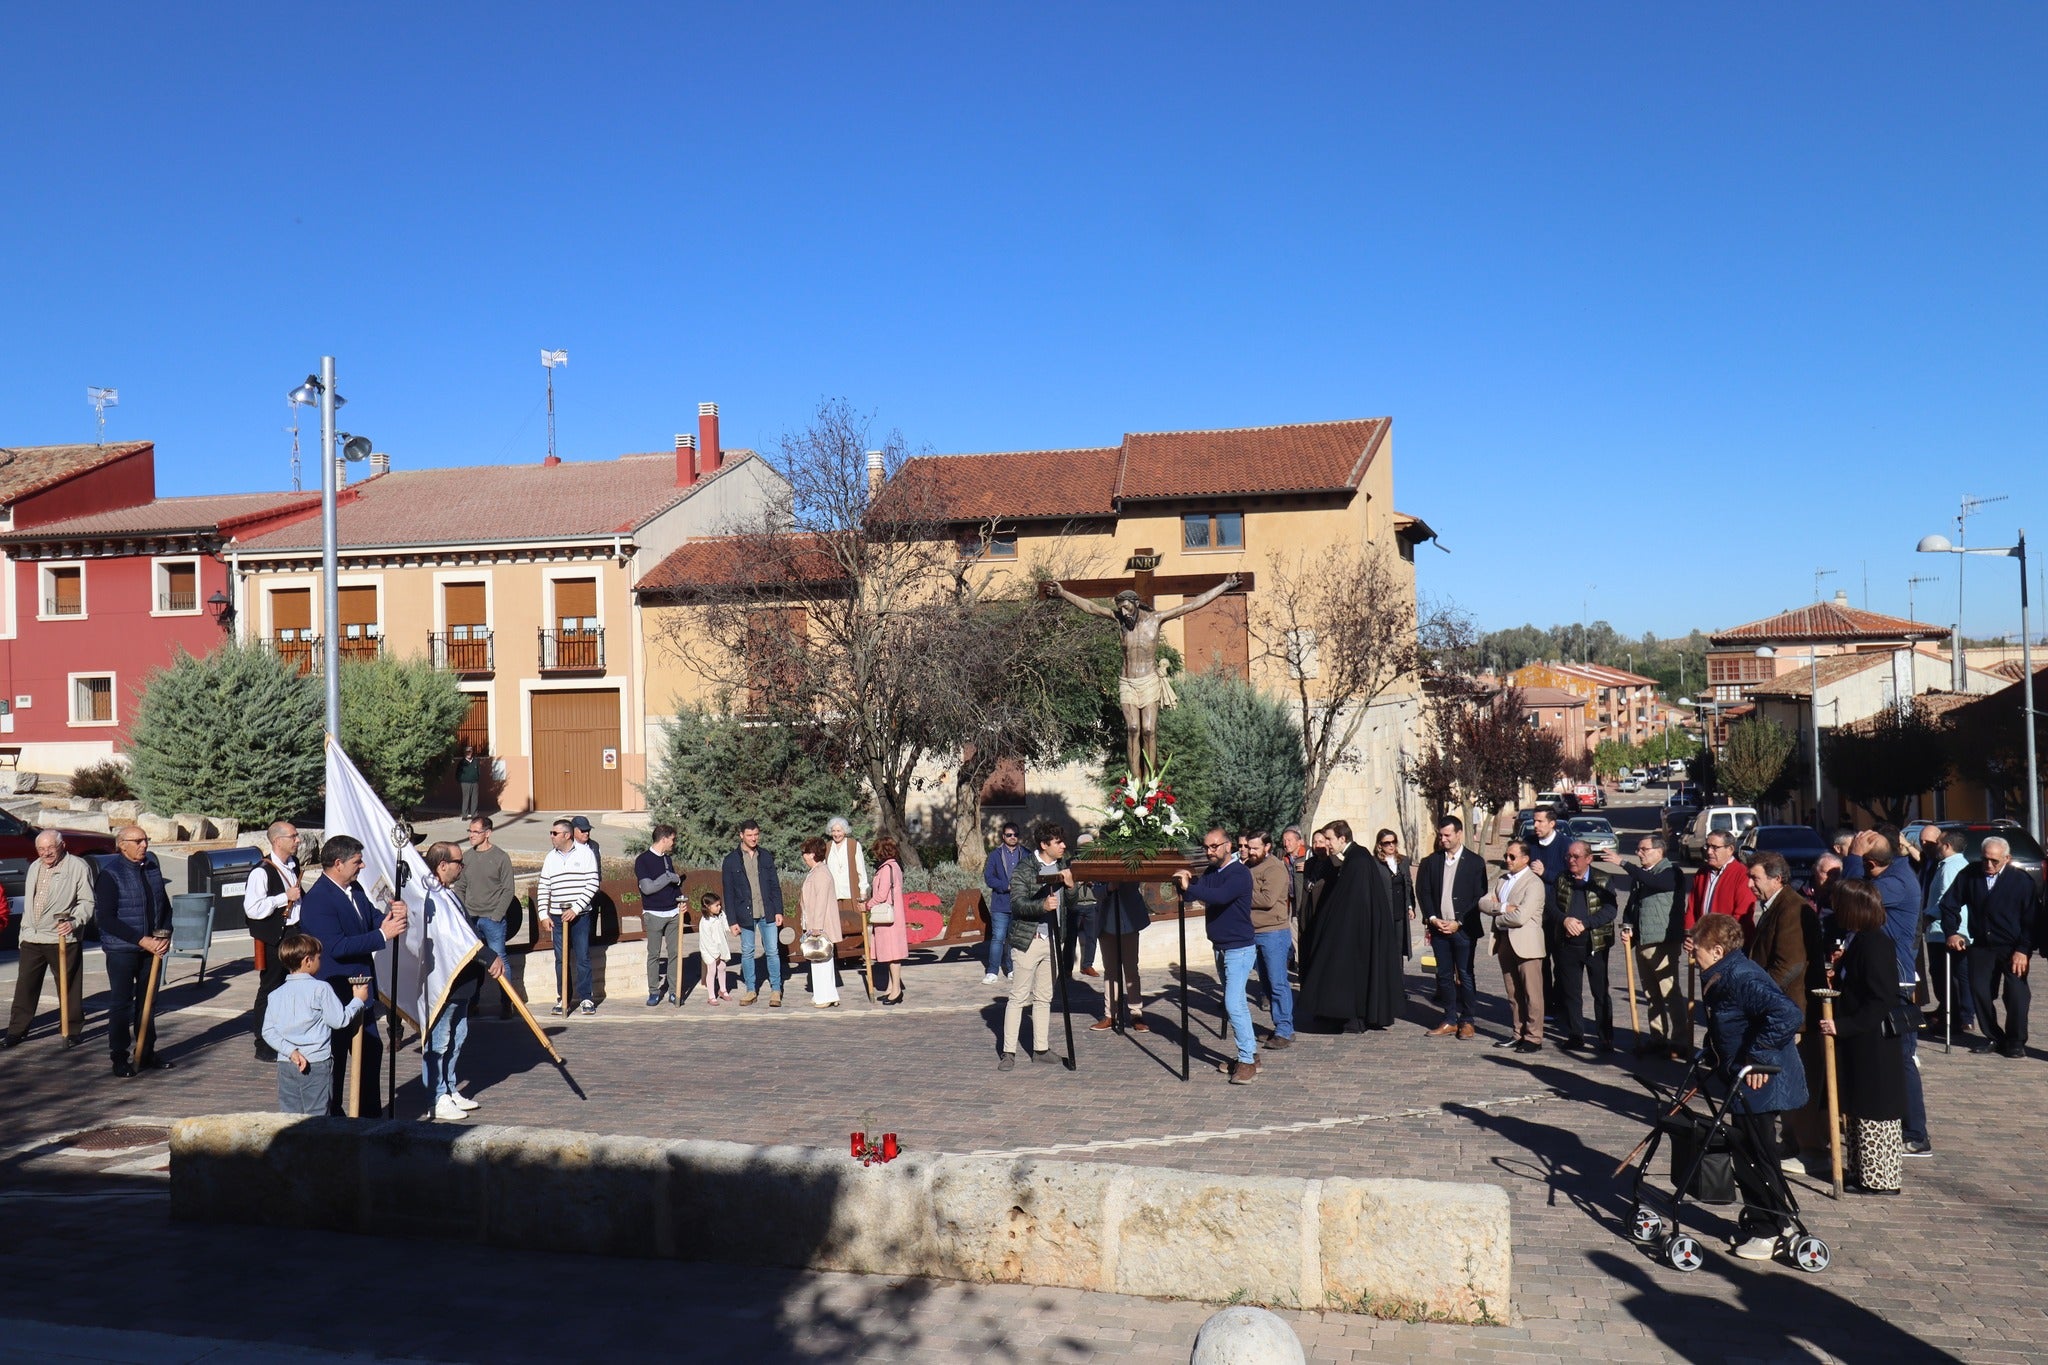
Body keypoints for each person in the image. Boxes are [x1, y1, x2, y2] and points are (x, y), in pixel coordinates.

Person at [1690, 911, 1810, 1260]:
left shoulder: (1739, 976)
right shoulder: (1723, 972)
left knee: (1755, 1155)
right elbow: (1732, 1021)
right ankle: (1776, 1219)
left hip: (1760, 1078)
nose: (1692, 954)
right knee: (1751, 1151)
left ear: (1716, 950)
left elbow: (1787, 1014)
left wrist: (1757, 1054)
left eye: (1697, 949)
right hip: (1743, 1077)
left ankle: (1769, 1229)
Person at [296, 834, 407, 1114]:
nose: (362, 866)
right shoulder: (319, 900)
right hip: (336, 994)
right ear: (338, 863)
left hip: (362, 994)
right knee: (335, 1061)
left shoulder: (354, 889)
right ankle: (332, 1118)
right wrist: (383, 935)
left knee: (371, 1054)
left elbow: (371, 919)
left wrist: (391, 917)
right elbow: (336, 946)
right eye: (357, 862)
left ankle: (370, 1117)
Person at [1818, 879, 1908, 1195]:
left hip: (1874, 1043)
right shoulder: (1858, 939)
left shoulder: (1876, 943)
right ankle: (1862, 1173)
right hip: (1859, 1042)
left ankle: (1881, 1179)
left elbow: (1881, 998)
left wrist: (1843, 1026)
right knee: (1857, 1109)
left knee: (1875, 1112)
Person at [1844, 828, 1930, 1155]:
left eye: (1861, 862)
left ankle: (1916, 1133)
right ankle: (1891, 1125)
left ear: (1870, 863)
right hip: (1881, 978)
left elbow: (1853, 898)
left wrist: (1851, 856)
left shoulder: (1896, 882)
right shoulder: (1892, 874)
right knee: (1892, 1058)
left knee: (1903, 1057)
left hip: (1895, 982)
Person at [420, 841, 504, 1120]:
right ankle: (436, 1095)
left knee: (457, 1037)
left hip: (464, 982)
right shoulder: (430, 897)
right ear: (442, 865)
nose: (462, 867)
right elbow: (454, 939)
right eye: (459, 863)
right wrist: (488, 955)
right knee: (440, 1041)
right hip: (446, 982)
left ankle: (450, 1087)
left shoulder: (449, 894)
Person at [1747, 851, 1823, 1161]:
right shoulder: (1774, 905)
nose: (1750, 884)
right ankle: (1791, 1141)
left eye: (1756, 878)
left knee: (1798, 1079)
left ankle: (1810, 1149)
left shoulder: (1791, 908)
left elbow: (1789, 964)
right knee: (1786, 1078)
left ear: (1777, 878)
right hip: (1780, 1007)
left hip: (1792, 1010)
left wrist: (1759, 995)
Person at [1298, 820, 1403, 1031]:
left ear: (1342, 838)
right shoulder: (1353, 857)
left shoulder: (1358, 860)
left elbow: (1353, 901)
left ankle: (1354, 1016)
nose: (1326, 843)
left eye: (1329, 838)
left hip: (1356, 932)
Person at [1940, 834, 2037, 1059]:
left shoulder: (2021, 881)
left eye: (1995, 860)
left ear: (2007, 858)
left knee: (2016, 994)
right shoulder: (1970, 875)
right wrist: (1952, 932)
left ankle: (2015, 1040)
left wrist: (2023, 949)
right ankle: (1994, 1036)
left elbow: (2031, 919)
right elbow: (1949, 904)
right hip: (1982, 944)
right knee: (1980, 991)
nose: (1989, 865)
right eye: (1985, 859)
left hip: (2012, 947)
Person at [1177, 827, 1259, 1081]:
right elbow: (1196, 892)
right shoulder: (1212, 872)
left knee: (1233, 1003)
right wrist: (1184, 883)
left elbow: (1219, 897)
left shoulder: (1239, 873)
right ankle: (1251, 1053)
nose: (1209, 851)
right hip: (1220, 947)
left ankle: (1246, 1061)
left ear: (1228, 845)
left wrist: (1192, 885)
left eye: (1214, 846)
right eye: (1206, 847)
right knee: (1236, 1004)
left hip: (1239, 948)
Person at [95, 826, 175, 1078]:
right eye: (137, 841)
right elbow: (106, 919)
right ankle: (119, 1056)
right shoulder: (110, 875)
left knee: (148, 1002)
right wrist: (141, 940)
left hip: (152, 948)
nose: (144, 845)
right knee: (121, 1004)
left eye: (145, 840)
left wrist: (164, 934)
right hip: (122, 950)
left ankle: (146, 1050)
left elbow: (164, 906)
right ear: (122, 845)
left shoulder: (152, 868)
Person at [261, 932, 371, 1115]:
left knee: (289, 1115)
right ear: (307, 961)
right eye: (319, 957)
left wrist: (291, 1052)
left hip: (287, 1063)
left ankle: (293, 1144)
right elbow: (339, 1021)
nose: (321, 961)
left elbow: (268, 1031)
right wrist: (358, 1000)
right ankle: (316, 1145)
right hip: (317, 1062)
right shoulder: (321, 989)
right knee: (318, 1115)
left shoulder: (275, 995)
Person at [1605, 834, 1689, 1059]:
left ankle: (1681, 1041)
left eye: (1644, 849)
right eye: (1638, 849)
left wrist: (1623, 863)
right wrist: (1627, 926)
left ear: (1659, 851)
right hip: (1643, 940)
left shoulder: (1672, 873)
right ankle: (1658, 1037)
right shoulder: (1641, 876)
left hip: (1663, 942)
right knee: (1651, 994)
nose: (1639, 853)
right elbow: (1632, 904)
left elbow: (1656, 883)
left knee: (1669, 991)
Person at [3, 831, 88, 1051]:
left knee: (68, 986)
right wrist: (23, 932)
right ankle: (16, 1031)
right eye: (41, 849)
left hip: (61, 937)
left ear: (62, 845)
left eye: (50, 847)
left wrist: (75, 921)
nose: (46, 853)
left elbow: (87, 902)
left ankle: (72, 1029)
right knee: (25, 986)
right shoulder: (35, 866)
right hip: (32, 936)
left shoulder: (77, 866)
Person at [998, 821, 1071, 1070]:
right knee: (1018, 997)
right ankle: (1008, 1052)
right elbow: (1017, 903)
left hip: (1053, 941)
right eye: (1058, 842)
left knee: (1044, 997)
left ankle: (1041, 1048)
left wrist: (1071, 886)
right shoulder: (1025, 867)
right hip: (1029, 940)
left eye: (1063, 841)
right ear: (1044, 845)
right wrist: (1041, 906)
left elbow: (1072, 903)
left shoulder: (1064, 866)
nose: (1063, 846)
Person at [1415, 815, 1486, 1039]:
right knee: (1444, 975)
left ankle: (1467, 1020)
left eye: (1447, 835)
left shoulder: (1475, 862)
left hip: (1463, 930)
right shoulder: (1431, 862)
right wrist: (1433, 918)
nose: (1442, 839)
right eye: (1440, 834)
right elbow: (1424, 892)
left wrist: (1459, 921)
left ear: (1459, 834)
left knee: (1464, 974)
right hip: (1439, 929)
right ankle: (1449, 1019)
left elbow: (1478, 896)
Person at [1546, 840, 1618, 1052]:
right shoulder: (1562, 878)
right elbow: (1551, 905)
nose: (1571, 860)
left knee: (1600, 993)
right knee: (1571, 992)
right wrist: (1565, 920)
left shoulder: (1603, 879)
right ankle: (1575, 1034)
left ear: (1589, 858)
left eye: (1576, 856)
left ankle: (1605, 1038)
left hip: (1595, 944)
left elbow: (1610, 910)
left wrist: (1585, 924)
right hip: (1568, 944)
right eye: (1568, 856)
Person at [243, 821, 304, 1061]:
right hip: (274, 938)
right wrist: (283, 898)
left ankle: (286, 1037)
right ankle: (264, 1043)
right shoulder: (261, 871)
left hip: (294, 933)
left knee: (293, 988)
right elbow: (253, 909)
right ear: (278, 841)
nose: (298, 840)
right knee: (270, 988)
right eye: (293, 836)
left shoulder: (293, 864)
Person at [1478, 839, 1546, 1053]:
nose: (1507, 860)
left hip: (1526, 944)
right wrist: (1504, 906)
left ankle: (1534, 1037)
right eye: (1506, 856)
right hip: (1505, 941)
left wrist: (1497, 917)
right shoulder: (1502, 880)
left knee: (1531, 993)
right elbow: (1483, 903)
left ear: (1525, 859)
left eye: (1512, 857)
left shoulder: (1534, 883)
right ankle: (1518, 1033)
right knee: (1513, 992)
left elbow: (1521, 916)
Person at [538, 818, 600, 1015]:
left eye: (555, 833)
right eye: (551, 832)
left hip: (579, 916)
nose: (551, 836)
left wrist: (576, 908)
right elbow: (544, 886)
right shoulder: (550, 857)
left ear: (566, 835)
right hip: (557, 917)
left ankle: (586, 998)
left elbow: (592, 882)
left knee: (582, 957)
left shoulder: (585, 853)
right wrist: (543, 914)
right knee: (560, 959)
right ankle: (563, 997)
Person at [721, 820, 785, 1006]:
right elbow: (728, 893)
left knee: (772, 951)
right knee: (747, 952)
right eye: (749, 835)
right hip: (744, 914)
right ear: (741, 835)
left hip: (768, 912)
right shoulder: (730, 860)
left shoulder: (765, 856)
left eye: (756, 834)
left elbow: (775, 885)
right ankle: (751, 990)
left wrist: (778, 910)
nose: (753, 838)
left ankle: (776, 989)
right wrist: (732, 920)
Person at [458, 817, 518, 1017]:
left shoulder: (500, 857)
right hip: (471, 920)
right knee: (473, 963)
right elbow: (460, 887)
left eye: (475, 832)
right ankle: (472, 1003)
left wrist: (497, 915)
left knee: (499, 959)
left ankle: (506, 1002)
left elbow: (508, 889)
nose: (471, 835)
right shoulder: (466, 858)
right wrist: (463, 913)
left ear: (487, 833)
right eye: (470, 831)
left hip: (493, 920)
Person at [1243, 831, 1296, 1049]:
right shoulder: (1248, 866)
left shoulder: (1274, 868)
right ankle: (1279, 1027)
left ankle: (1285, 1029)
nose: (1251, 851)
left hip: (1273, 932)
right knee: (1265, 983)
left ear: (1267, 847)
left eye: (1255, 848)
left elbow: (1267, 899)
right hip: (1252, 932)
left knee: (1277, 983)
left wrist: (1239, 893)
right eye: (1249, 847)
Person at [1920, 830, 1974, 1037]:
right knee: (1946, 975)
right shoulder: (1948, 865)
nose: (1935, 848)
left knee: (1947, 976)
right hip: (1942, 931)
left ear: (1948, 846)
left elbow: (1947, 898)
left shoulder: (1952, 867)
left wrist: (1929, 916)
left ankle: (1956, 1017)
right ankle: (1950, 1012)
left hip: (1946, 931)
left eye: (1939, 844)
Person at [1089, 880, 1151, 1033]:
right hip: (1106, 921)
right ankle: (1110, 1015)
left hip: (1129, 919)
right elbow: (1095, 891)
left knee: (1130, 969)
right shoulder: (1099, 859)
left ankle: (1136, 1014)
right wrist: (1108, 888)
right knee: (1110, 971)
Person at [637, 824, 685, 1006]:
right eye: (672, 839)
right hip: (654, 913)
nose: (674, 843)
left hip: (673, 912)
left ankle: (674, 991)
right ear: (664, 839)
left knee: (674, 953)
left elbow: (673, 886)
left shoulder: (667, 859)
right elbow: (648, 889)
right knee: (654, 954)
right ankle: (654, 991)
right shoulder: (643, 860)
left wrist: (680, 899)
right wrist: (670, 877)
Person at [1685, 831, 1758, 934]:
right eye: (1707, 846)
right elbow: (1692, 908)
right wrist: (1689, 934)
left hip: (1730, 942)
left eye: (1715, 847)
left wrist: (1718, 940)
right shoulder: (1702, 873)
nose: (1709, 852)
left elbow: (1741, 916)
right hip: (1703, 941)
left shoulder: (1742, 874)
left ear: (1730, 849)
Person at [798, 838, 841, 1008]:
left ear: (813, 854)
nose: (804, 857)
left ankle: (826, 996)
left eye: (805, 853)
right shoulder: (817, 871)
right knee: (820, 958)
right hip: (818, 924)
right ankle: (826, 994)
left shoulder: (821, 873)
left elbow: (821, 901)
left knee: (821, 958)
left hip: (821, 925)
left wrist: (816, 926)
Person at [867, 836, 909, 1004]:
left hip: (888, 918)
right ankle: (892, 987)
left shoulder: (886, 869)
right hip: (894, 914)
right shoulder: (895, 867)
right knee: (892, 953)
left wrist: (867, 905)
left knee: (893, 954)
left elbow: (881, 894)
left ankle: (896, 990)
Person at [982, 820, 1024, 984]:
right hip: (1001, 903)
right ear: (1003, 836)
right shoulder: (995, 855)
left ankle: (1012, 968)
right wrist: (1005, 886)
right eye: (1009, 835)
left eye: (1015, 835)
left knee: (1013, 939)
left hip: (1019, 903)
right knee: (998, 937)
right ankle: (992, 971)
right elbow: (989, 877)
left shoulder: (1025, 853)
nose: (1013, 837)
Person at [1375, 828, 1415, 967]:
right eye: (1387, 843)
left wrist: (1410, 906)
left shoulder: (1403, 860)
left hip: (1399, 912)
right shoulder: (1375, 863)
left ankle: (1398, 982)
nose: (1391, 845)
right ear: (1380, 845)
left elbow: (1408, 885)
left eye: (1394, 842)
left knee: (1398, 948)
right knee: (1384, 948)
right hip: (1383, 912)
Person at [697, 892, 734, 1002]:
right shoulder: (705, 922)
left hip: (721, 946)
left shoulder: (721, 915)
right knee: (712, 970)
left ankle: (723, 990)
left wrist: (732, 929)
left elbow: (725, 925)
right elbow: (707, 940)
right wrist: (715, 954)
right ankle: (711, 996)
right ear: (708, 906)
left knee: (722, 967)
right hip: (709, 950)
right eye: (716, 905)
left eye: (719, 905)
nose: (719, 907)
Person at [456, 744, 482, 820]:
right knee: (466, 799)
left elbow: (478, 772)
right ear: (465, 753)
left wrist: (477, 778)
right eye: (467, 752)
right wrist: (461, 780)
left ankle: (474, 815)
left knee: (475, 799)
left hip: (474, 783)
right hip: (465, 783)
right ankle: (465, 815)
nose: (468, 753)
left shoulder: (475, 761)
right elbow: (458, 773)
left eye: (470, 751)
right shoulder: (462, 762)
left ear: (472, 752)